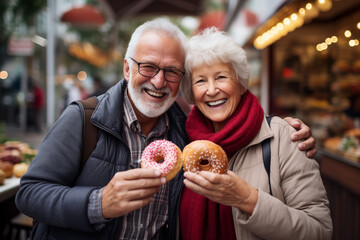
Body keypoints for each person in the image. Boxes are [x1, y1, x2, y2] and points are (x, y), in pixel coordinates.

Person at [16, 19, 317, 240]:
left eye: (172, 71)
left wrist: (284, 133)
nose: (159, 82)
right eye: (148, 67)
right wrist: (98, 204)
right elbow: (29, 193)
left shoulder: (185, 134)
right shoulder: (83, 119)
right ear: (126, 68)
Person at [173, 28, 332, 240]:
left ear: (240, 83)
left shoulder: (283, 137)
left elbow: (319, 231)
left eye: (221, 77)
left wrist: (247, 199)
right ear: (191, 92)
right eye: (200, 81)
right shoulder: (181, 142)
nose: (211, 90)